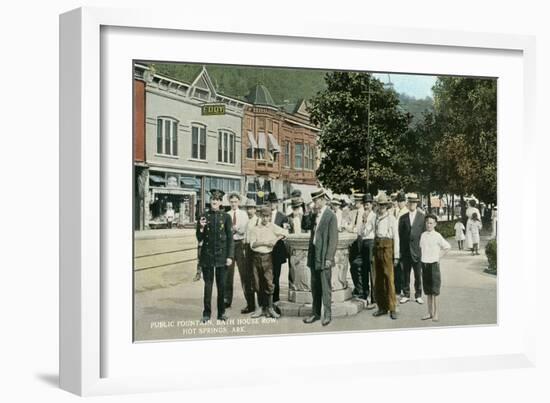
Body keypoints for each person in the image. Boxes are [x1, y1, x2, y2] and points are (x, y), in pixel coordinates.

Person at [196, 189, 234, 323]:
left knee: (221, 286)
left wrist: (230, 256)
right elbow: (199, 237)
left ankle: (221, 313)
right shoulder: (204, 216)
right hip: (207, 256)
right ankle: (206, 313)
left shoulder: (226, 217)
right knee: (208, 287)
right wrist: (201, 228)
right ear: (210, 201)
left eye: (217, 200)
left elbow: (230, 239)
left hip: (222, 257)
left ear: (220, 202)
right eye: (212, 199)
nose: (214, 201)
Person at [302, 189, 338, 326]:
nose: (314, 203)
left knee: (325, 287)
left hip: (324, 257)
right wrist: (307, 212)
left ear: (323, 200)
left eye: (316, 200)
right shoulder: (314, 215)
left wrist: (329, 258)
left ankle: (327, 314)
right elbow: (305, 226)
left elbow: (333, 239)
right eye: (314, 201)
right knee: (315, 287)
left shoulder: (330, 216)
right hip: (314, 256)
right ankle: (315, 313)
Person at [249, 206, 288, 319]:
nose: (265, 219)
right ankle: (260, 308)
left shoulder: (273, 227)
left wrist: (275, 240)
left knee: (269, 283)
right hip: (256, 258)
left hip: (267, 258)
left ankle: (270, 308)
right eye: (263, 216)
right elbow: (253, 244)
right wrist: (266, 242)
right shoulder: (255, 228)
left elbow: (285, 233)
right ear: (260, 216)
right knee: (257, 284)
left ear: (270, 217)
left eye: (267, 216)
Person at [372, 193, 400, 319]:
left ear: (387, 206)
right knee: (378, 279)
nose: (381, 207)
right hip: (377, 246)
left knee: (389, 278)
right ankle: (382, 307)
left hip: (388, 247)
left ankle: (392, 308)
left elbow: (396, 238)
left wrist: (396, 255)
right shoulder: (375, 217)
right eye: (379, 205)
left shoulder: (391, 219)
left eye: (383, 205)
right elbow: (371, 232)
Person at [224, 193, 252, 312]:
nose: (234, 204)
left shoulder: (243, 214)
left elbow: (244, 229)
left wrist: (235, 229)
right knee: (228, 274)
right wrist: (232, 230)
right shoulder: (227, 215)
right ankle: (227, 300)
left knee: (244, 274)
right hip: (230, 245)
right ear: (229, 202)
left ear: (239, 202)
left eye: (236, 202)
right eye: (232, 202)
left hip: (240, 244)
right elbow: (226, 230)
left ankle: (250, 302)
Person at [419, 214, 451, 322]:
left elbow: (447, 247)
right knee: (428, 291)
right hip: (425, 265)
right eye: (427, 222)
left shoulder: (437, 236)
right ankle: (429, 312)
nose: (429, 225)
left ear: (435, 224)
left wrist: (438, 257)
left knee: (435, 291)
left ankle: (436, 314)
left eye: (431, 223)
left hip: (433, 266)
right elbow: (421, 249)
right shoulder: (423, 235)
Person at [398, 193, 426, 304]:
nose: (412, 204)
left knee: (418, 274)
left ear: (417, 203)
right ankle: (406, 294)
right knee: (406, 274)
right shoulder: (403, 218)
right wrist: (400, 251)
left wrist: (423, 250)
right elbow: (400, 235)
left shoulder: (422, 217)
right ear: (408, 203)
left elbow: (424, 235)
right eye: (410, 202)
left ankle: (418, 295)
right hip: (405, 250)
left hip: (417, 250)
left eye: (414, 202)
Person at [267, 192, 289, 303]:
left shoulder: (282, 216)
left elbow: (285, 233)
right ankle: (267, 299)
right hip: (265, 249)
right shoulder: (264, 215)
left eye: (274, 202)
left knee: (276, 275)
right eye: (270, 202)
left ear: (277, 203)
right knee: (266, 275)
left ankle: (275, 299)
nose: (272, 204)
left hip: (277, 249)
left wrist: (276, 238)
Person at [356, 193, 376, 308]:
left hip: (370, 243)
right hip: (363, 243)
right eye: (365, 204)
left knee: (371, 270)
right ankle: (364, 293)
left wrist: (364, 222)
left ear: (372, 205)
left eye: (368, 204)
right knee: (363, 269)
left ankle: (374, 298)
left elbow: (367, 231)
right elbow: (359, 231)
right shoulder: (363, 215)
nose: (366, 206)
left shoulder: (373, 216)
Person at [346, 193, 365, 297]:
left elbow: (359, 229)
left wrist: (350, 228)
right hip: (353, 241)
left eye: (358, 201)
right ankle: (357, 288)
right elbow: (348, 224)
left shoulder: (364, 213)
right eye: (355, 201)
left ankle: (361, 289)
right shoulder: (353, 213)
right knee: (352, 265)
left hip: (360, 241)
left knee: (357, 266)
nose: (356, 203)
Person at [392, 191, 407, 297]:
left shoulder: (406, 212)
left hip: (403, 241)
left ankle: (403, 288)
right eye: (399, 201)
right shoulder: (395, 211)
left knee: (402, 267)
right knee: (395, 266)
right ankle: (397, 288)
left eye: (402, 201)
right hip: (395, 240)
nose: (400, 203)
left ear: (405, 201)